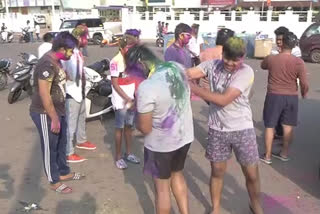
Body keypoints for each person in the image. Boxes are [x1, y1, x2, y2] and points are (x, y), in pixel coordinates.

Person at [187, 37, 263, 214]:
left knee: (251, 173)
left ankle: (256, 204)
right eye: (227, 58)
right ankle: (215, 209)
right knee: (217, 172)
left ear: (242, 57)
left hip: (242, 129)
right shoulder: (211, 65)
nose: (230, 63)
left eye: (235, 60)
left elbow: (223, 100)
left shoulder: (246, 72)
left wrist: (195, 89)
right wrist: (172, 71)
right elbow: (189, 73)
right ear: (223, 54)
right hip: (217, 129)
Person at [126, 44, 194, 214]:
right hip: (184, 137)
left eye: (134, 70)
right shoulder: (176, 68)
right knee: (177, 174)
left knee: (162, 189)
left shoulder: (147, 87)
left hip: (161, 145)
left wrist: (136, 112)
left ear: (141, 63)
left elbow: (145, 128)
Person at [29, 32, 84, 194]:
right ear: (61, 48)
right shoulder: (46, 64)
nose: (71, 53)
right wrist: (53, 118)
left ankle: (63, 172)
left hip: (58, 110)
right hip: (45, 112)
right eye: (70, 50)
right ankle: (54, 181)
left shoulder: (58, 60)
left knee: (61, 143)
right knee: (49, 147)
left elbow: (60, 81)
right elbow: (44, 94)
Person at [260, 32, 309, 165]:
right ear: (294, 46)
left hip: (274, 96)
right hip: (291, 97)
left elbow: (262, 65)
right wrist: (304, 94)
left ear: (281, 43)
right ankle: (284, 153)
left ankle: (268, 155)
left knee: (270, 126)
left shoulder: (271, 58)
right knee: (288, 127)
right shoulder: (299, 62)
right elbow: (304, 83)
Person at [61, 29, 96, 163]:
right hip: (72, 91)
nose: (86, 40)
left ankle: (81, 140)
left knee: (82, 117)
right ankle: (68, 152)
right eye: (84, 38)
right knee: (71, 123)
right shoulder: (69, 53)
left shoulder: (77, 52)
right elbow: (66, 70)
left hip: (80, 90)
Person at [110, 38, 140, 169]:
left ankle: (128, 153)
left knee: (129, 126)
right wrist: (127, 98)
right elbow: (115, 84)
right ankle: (118, 157)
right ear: (121, 48)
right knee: (119, 128)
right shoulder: (115, 62)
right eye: (128, 48)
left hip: (131, 100)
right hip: (121, 101)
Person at [272, 26, 301, 138]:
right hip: (275, 86)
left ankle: (285, 135)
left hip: (291, 87)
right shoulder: (274, 50)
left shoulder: (296, 50)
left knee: (287, 113)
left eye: (281, 40)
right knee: (275, 112)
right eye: (277, 40)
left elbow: (297, 66)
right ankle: (278, 132)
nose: (278, 42)